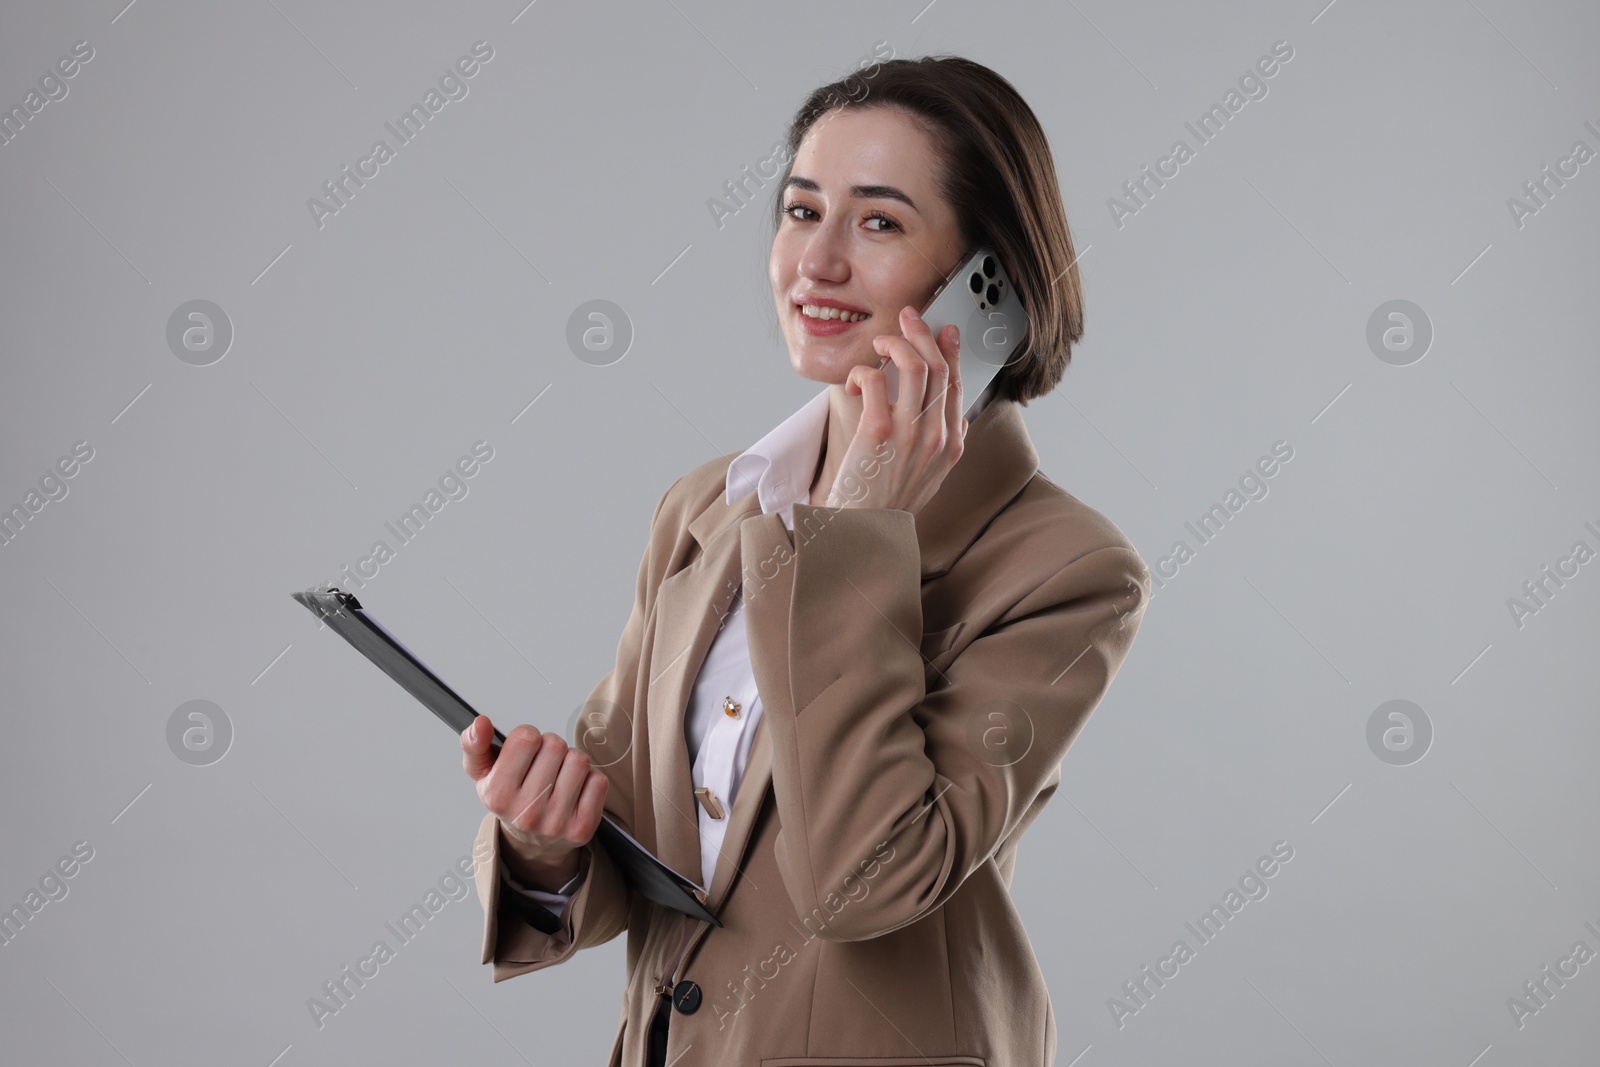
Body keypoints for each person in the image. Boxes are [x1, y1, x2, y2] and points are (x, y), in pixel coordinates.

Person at [461, 53, 1151, 1067]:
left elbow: (865, 878)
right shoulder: (708, 505)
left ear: (984, 280)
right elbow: (649, 838)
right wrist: (541, 845)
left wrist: (859, 529)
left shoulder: (1066, 567)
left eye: (878, 222)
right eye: (798, 210)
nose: (813, 263)